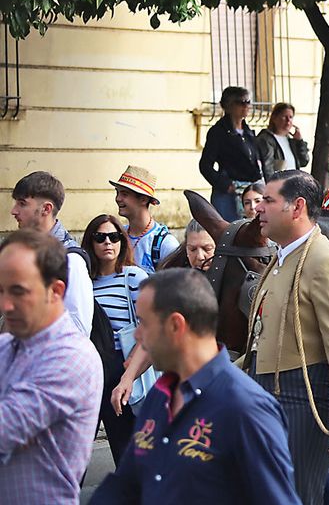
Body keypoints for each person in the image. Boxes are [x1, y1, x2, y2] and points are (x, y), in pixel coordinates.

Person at [89, 268, 299, 505]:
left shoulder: (246, 409)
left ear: (176, 325)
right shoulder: (160, 395)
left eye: (144, 323)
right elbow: (127, 484)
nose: (137, 334)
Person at [244, 171, 329, 505]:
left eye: (268, 201)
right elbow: (260, 340)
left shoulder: (325, 262)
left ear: (297, 208)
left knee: (294, 498)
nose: (259, 209)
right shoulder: (283, 258)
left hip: (301, 398)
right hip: (268, 393)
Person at [0, 230, 105, 505]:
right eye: (0, 290)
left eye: (18, 291)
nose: (5, 305)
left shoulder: (73, 358)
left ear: (56, 290)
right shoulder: (7, 345)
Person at [83, 214, 148, 460]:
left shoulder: (132, 276)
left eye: (114, 237)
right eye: (100, 238)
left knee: (126, 451)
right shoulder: (84, 282)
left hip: (123, 368)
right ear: (90, 243)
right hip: (90, 370)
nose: (108, 243)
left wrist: (130, 371)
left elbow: (149, 329)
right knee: (77, 451)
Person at [9, 170, 94, 335]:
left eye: (22, 203)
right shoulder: (22, 251)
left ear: (46, 209)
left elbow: (78, 329)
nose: (14, 211)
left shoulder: (71, 260)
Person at [199, 86, 262, 221]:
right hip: (229, 193)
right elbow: (205, 165)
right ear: (227, 106)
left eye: (248, 101)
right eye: (240, 102)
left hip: (249, 192)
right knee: (229, 232)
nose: (246, 106)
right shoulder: (218, 132)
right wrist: (225, 184)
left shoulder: (248, 131)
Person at [108, 166, 180, 272]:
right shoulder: (116, 236)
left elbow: (174, 285)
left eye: (124, 194)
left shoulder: (165, 244)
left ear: (143, 199)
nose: (118, 198)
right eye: (117, 192)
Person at [255, 103, 311, 175]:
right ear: (274, 118)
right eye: (284, 117)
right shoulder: (266, 140)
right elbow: (267, 168)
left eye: (290, 117)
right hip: (279, 184)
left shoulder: (290, 141)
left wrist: (299, 142)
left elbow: (304, 161)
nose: (288, 121)